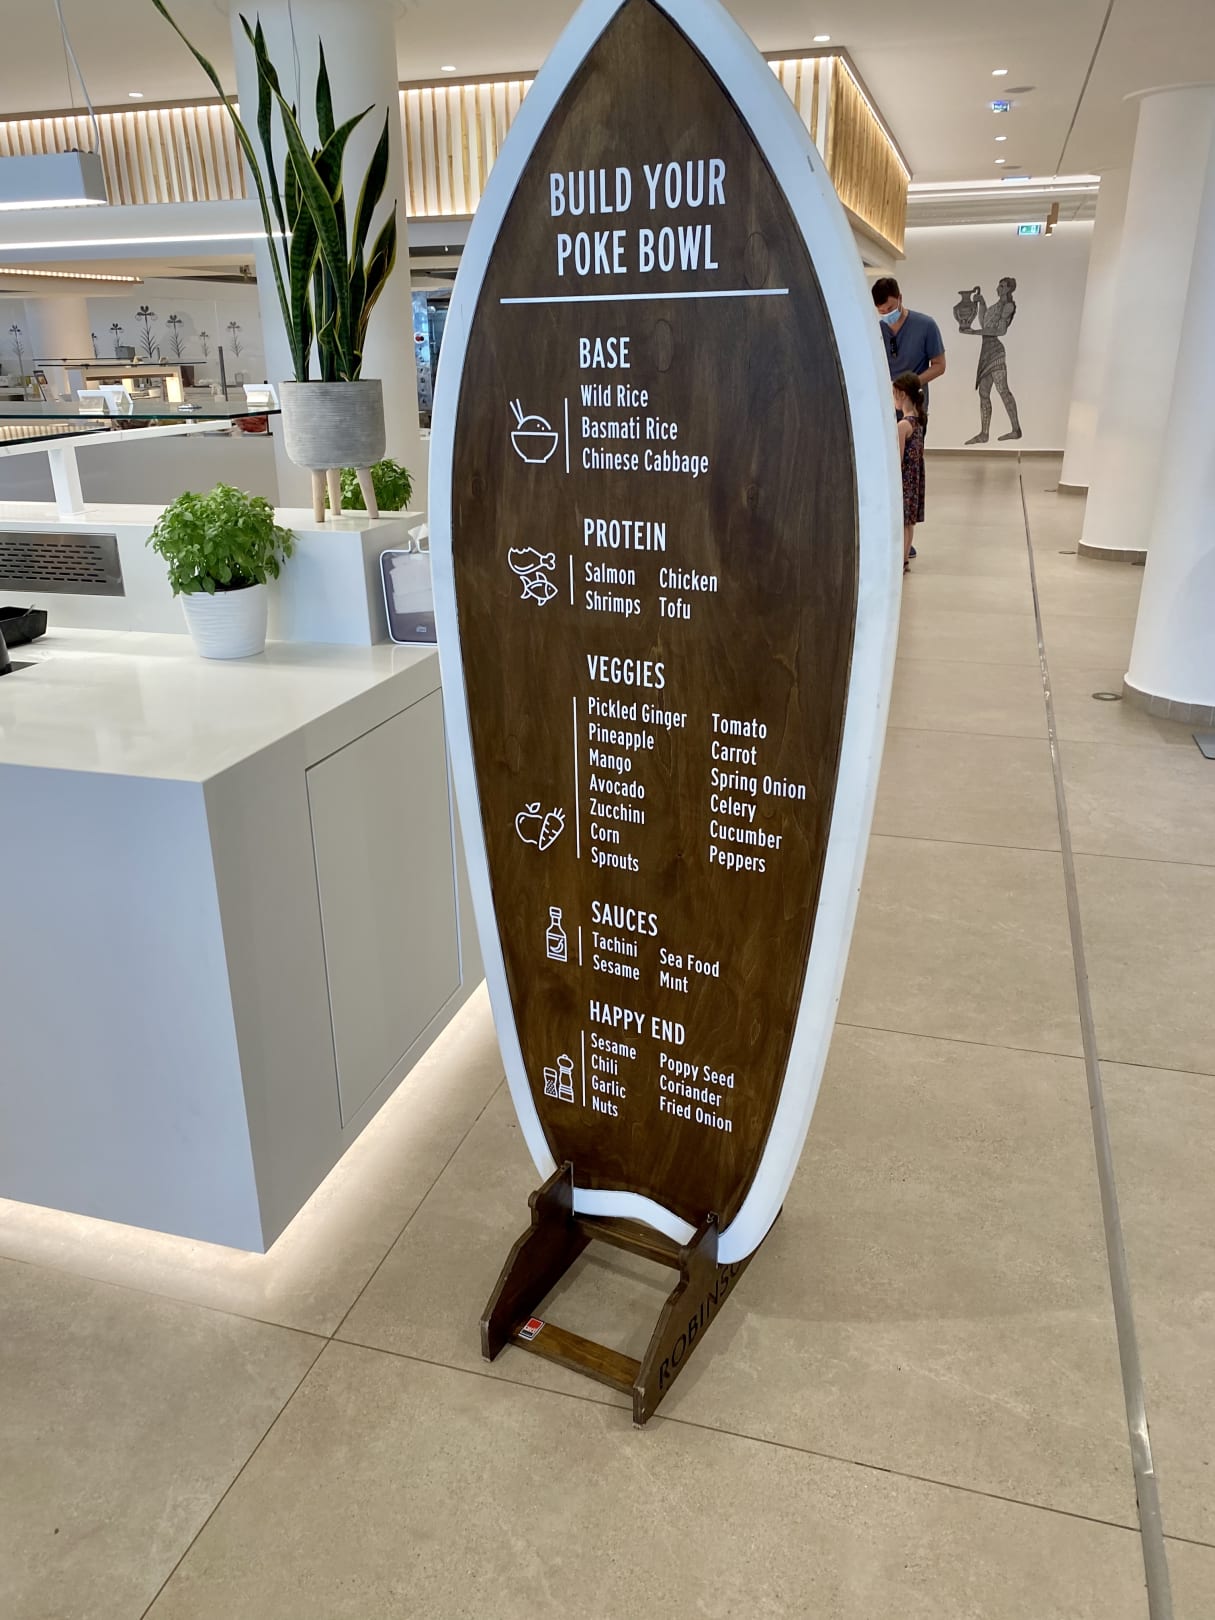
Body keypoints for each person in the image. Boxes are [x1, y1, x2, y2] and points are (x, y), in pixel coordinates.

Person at [961, 277, 1021, 442]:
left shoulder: (1008, 306)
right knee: (984, 392)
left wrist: (974, 332)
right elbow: (985, 324)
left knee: (1003, 390)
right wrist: (982, 303)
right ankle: (984, 433)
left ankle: (1016, 429)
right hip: (986, 351)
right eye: (999, 285)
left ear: (1008, 289)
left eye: (1002, 286)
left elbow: (1000, 331)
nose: (998, 288)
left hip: (996, 352)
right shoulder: (995, 307)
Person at [872, 277, 947, 400]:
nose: (887, 314)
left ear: (900, 298)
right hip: (886, 402)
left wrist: (912, 384)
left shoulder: (926, 326)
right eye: (882, 311)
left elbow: (940, 365)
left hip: (914, 403)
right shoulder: (876, 331)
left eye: (890, 309)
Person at [893, 371, 926, 573]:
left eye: (894, 394)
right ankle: (904, 559)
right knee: (909, 523)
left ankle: (901, 560)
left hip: (904, 480)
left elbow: (898, 458)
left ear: (902, 394)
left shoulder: (903, 425)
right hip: (914, 481)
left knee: (903, 523)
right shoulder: (919, 420)